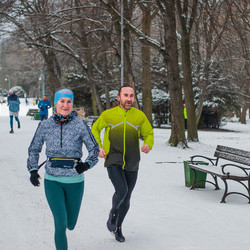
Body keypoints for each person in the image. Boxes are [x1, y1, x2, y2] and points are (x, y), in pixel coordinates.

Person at [27, 87, 99, 250]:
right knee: (60, 223)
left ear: (72, 104)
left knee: (70, 224)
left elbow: (94, 149)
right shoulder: (45, 125)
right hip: (52, 180)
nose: (65, 105)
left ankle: (69, 222)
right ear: (55, 103)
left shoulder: (80, 124)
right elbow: (34, 149)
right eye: (62, 101)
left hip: (75, 180)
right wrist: (32, 170)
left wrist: (86, 164)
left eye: (69, 102)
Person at [91, 85, 154, 242]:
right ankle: (113, 213)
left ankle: (118, 228)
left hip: (132, 161)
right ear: (119, 98)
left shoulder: (139, 117)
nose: (129, 98)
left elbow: (149, 133)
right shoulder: (108, 115)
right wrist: (98, 146)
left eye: (131, 95)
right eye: (126, 95)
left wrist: (148, 144)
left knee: (127, 197)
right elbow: (95, 129)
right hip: (113, 159)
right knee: (122, 189)